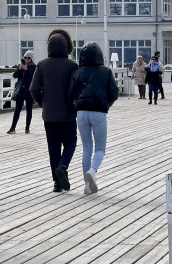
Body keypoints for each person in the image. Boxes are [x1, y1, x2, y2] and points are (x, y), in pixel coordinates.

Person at [30, 29, 79, 192]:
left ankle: (57, 183)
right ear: (67, 46)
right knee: (71, 143)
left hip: (49, 114)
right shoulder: (73, 66)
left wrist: (43, 103)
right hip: (68, 113)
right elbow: (77, 89)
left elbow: (34, 88)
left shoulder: (42, 64)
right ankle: (63, 166)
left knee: (53, 147)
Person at [70, 42, 119, 195]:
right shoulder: (105, 71)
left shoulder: (77, 72)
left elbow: (70, 95)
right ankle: (93, 171)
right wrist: (106, 104)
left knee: (86, 148)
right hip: (99, 112)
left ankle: (86, 186)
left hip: (82, 112)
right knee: (100, 148)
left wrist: (77, 103)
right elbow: (114, 92)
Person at [7, 50, 36, 133]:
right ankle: (13, 128)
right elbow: (14, 75)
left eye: (28, 58)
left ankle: (27, 128)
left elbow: (32, 77)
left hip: (29, 91)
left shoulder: (34, 67)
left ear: (31, 59)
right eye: (25, 57)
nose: (26, 59)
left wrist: (26, 70)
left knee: (29, 109)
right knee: (17, 110)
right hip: (21, 90)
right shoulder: (21, 65)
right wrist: (20, 69)